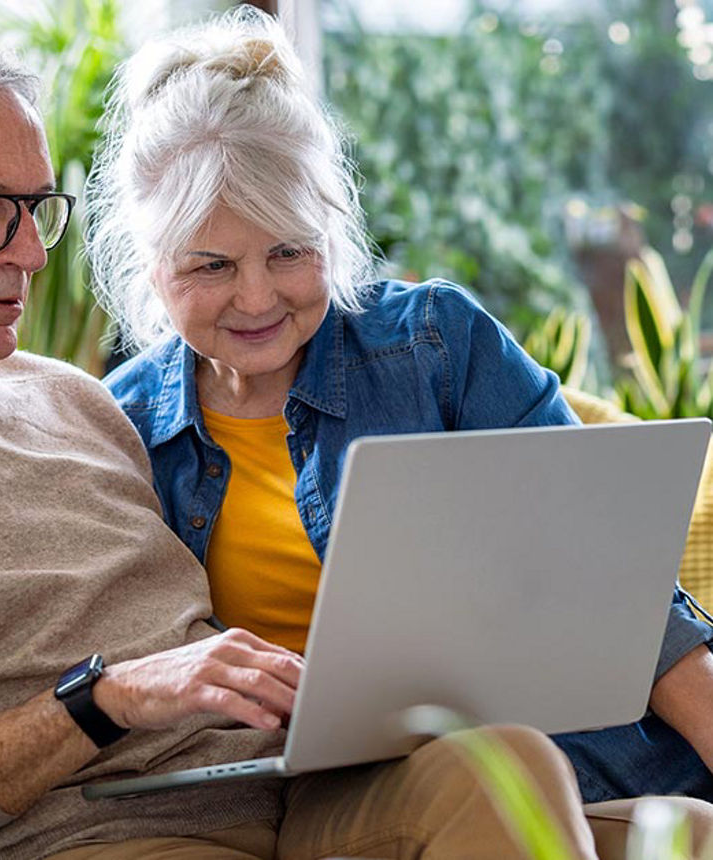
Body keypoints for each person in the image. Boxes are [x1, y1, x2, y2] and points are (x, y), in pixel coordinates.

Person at [0, 19, 687, 860]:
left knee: (510, 769)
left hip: (283, 799)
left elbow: (624, 591)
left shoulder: (71, 404)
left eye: (35, 209)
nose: (29, 252)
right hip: (98, 838)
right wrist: (107, 698)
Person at [88, 3, 713, 809]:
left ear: (333, 231)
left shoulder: (435, 344)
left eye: (289, 250)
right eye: (211, 265)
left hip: (568, 765)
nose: (257, 296)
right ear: (150, 263)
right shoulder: (120, 430)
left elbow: (624, 588)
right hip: (325, 799)